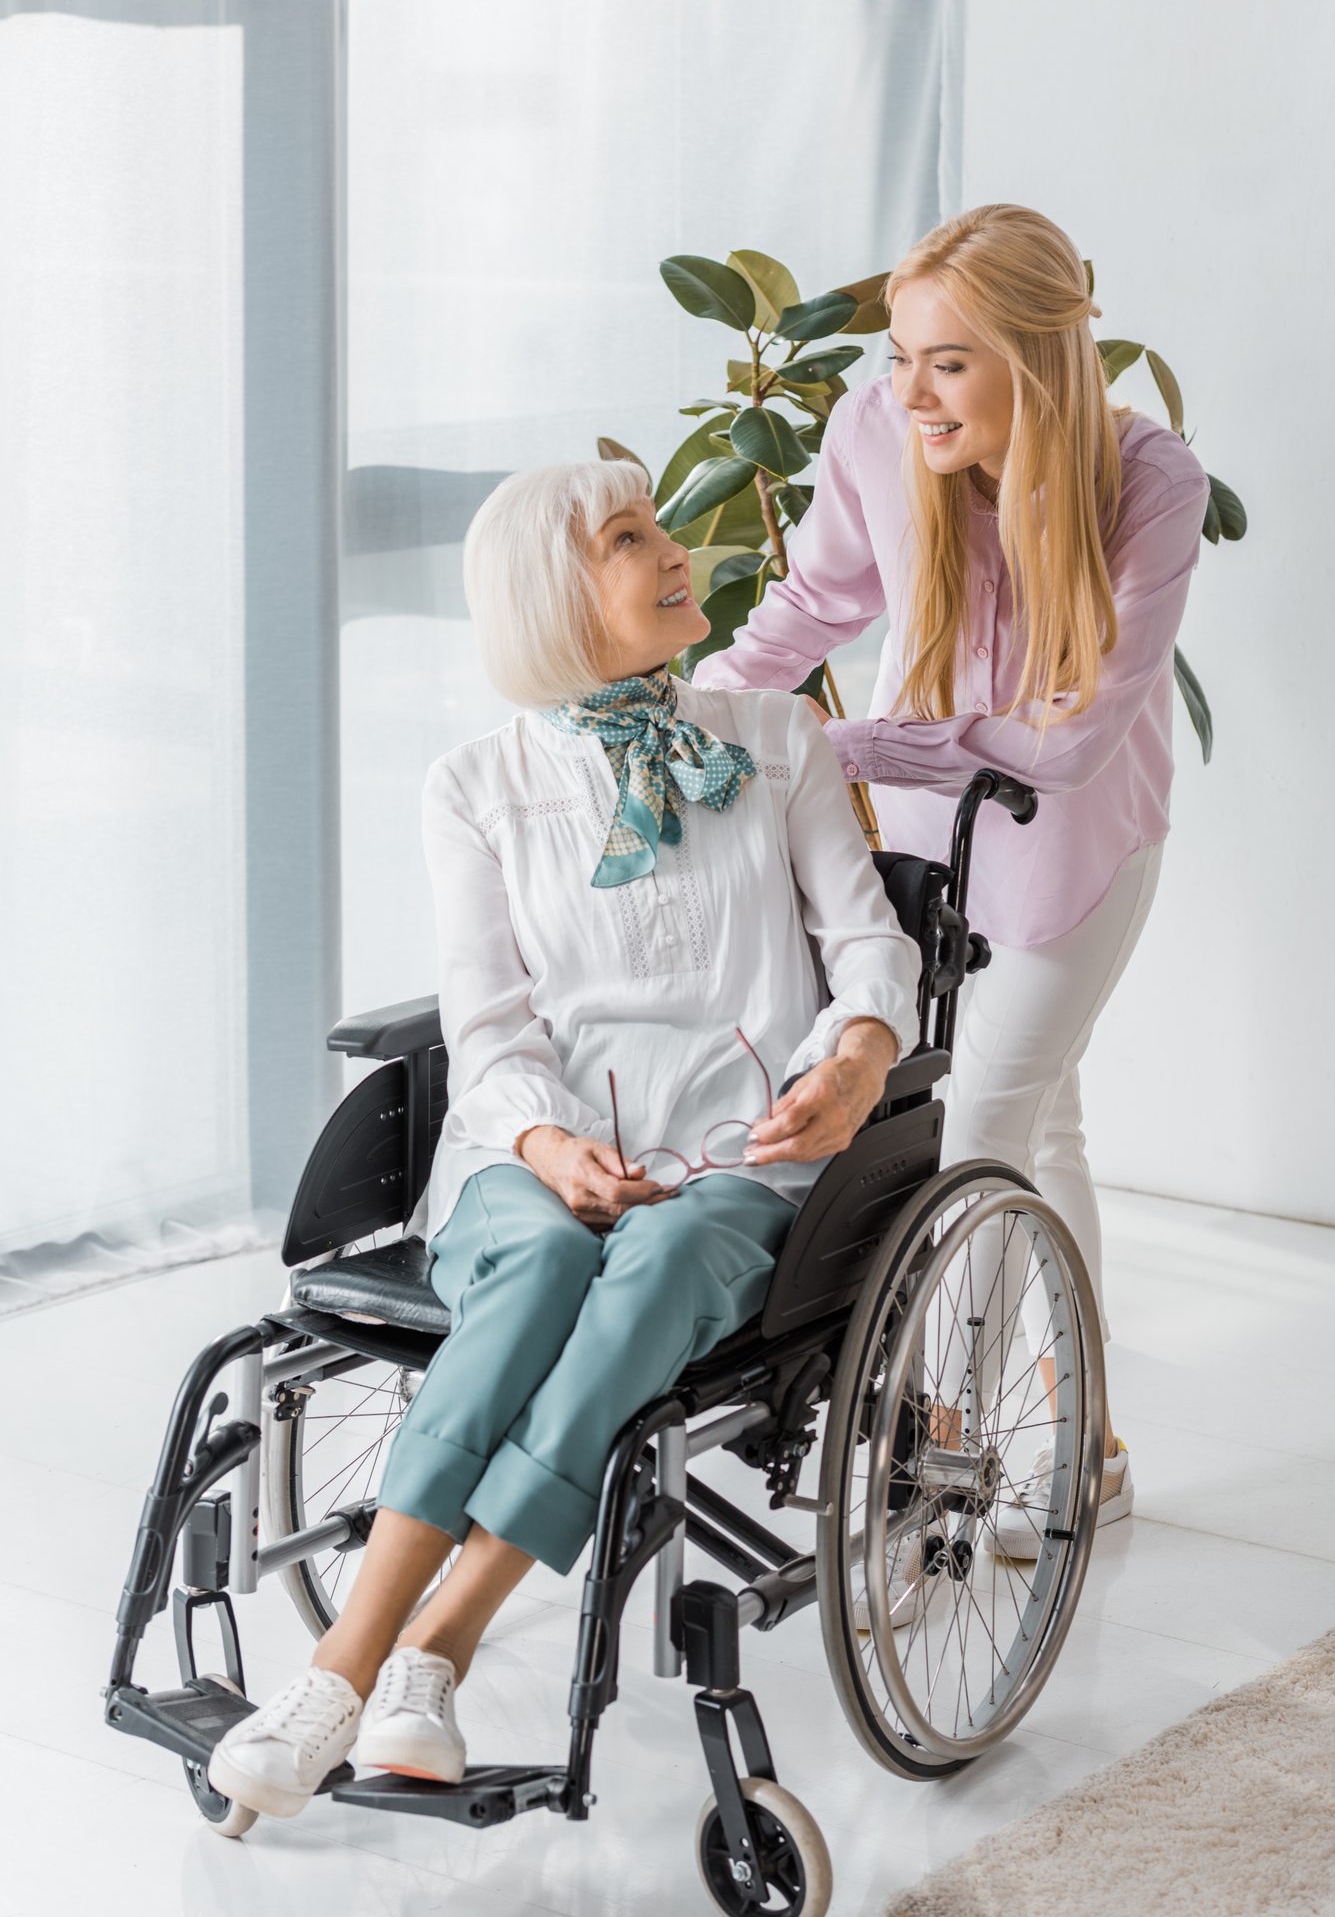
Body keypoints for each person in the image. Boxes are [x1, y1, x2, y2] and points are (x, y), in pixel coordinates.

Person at [208, 459, 922, 1821]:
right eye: (628, 537)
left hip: (735, 1156)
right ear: (552, 589)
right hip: (528, 1149)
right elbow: (486, 1022)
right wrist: (545, 1147)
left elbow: (867, 941)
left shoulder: (778, 737)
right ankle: (351, 1670)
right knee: (537, 1272)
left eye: (658, 525)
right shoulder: (476, 785)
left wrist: (854, 1064)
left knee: (653, 1272)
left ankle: (424, 1649)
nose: (672, 550)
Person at [694, 202, 1212, 1561]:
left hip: (1078, 839)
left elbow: (1076, 738)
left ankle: (957, 1447)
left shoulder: (1150, 485)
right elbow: (813, 604)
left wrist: (852, 740)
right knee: (1045, 1136)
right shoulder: (876, 433)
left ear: (1036, 362)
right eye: (900, 355)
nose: (906, 391)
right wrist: (697, 716)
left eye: (948, 363)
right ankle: (1089, 1441)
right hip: (926, 832)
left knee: (984, 1123)